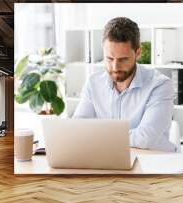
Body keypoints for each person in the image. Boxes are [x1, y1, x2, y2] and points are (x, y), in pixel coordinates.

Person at [73, 17, 176, 152]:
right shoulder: (93, 83)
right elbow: (77, 129)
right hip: (109, 161)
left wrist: (96, 136)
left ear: (138, 53)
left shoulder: (160, 85)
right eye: (109, 58)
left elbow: (145, 139)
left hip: (152, 164)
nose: (115, 67)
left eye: (123, 59)